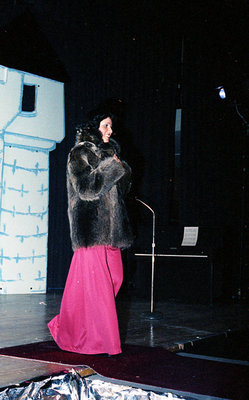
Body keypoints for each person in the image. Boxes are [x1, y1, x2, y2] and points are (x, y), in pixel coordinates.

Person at [48, 109, 133, 356]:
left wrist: (121, 169)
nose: (110, 130)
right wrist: (112, 168)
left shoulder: (110, 155)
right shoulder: (80, 153)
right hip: (92, 230)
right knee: (100, 290)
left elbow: (121, 191)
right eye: (106, 125)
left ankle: (69, 326)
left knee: (114, 279)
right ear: (94, 127)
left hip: (113, 231)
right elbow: (86, 190)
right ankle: (104, 344)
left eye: (110, 126)